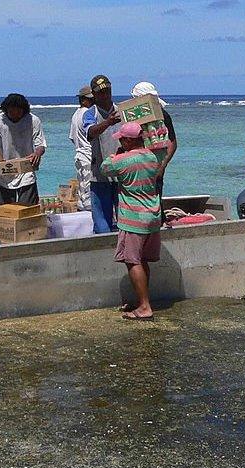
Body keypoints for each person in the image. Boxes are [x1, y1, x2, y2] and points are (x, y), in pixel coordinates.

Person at [100, 122, 162, 321]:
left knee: (132, 261)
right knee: (143, 260)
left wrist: (116, 154)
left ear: (127, 140)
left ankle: (144, 306)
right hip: (152, 216)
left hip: (133, 218)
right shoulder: (152, 157)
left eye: (121, 139)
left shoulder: (123, 160)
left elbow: (105, 168)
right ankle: (143, 300)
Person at [0, 93, 46, 206]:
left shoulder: (33, 120)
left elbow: (41, 145)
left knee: (28, 210)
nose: (15, 116)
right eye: (12, 113)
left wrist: (37, 154)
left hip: (26, 170)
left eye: (19, 113)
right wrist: (2, 162)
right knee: (5, 211)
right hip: (6, 173)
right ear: (6, 110)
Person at [82, 74, 122, 233]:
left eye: (108, 91)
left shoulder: (122, 110)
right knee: (102, 223)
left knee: (125, 220)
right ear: (94, 94)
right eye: (101, 92)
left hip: (122, 174)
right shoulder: (90, 113)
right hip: (100, 174)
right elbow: (90, 132)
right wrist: (107, 123)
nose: (105, 95)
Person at [130, 82, 177, 197]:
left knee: (154, 200)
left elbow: (172, 142)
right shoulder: (132, 116)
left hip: (156, 165)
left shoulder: (163, 115)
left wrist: (162, 165)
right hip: (137, 167)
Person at [68, 85, 95, 211]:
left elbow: (72, 138)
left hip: (79, 154)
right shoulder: (88, 113)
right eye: (91, 99)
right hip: (88, 155)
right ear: (83, 100)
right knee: (89, 190)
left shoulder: (75, 114)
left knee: (82, 188)